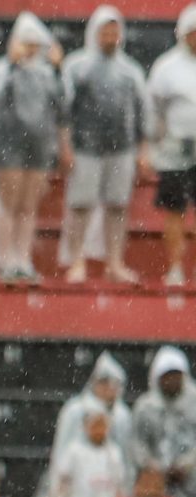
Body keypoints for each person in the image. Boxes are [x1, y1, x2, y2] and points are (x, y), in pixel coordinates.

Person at [58, 5, 151, 284]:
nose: (111, 36)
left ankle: (114, 262)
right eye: (105, 31)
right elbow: (64, 112)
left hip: (121, 149)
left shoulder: (130, 70)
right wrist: (65, 147)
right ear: (94, 32)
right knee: (80, 205)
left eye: (115, 31)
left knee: (117, 205)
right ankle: (76, 260)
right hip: (85, 148)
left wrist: (142, 150)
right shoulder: (76, 67)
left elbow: (141, 112)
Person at [0, 13, 61, 284]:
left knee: (28, 207)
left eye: (36, 43)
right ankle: (5, 258)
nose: (31, 48)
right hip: (8, 146)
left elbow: (62, 104)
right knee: (8, 205)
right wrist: (13, 65)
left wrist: (58, 69)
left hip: (37, 146)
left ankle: (22, 258)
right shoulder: (1, 68)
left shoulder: (47, 73)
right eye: (26, 42)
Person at [152, 8, 196, 288]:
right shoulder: (166, 67)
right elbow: (154, 111)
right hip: (175, 149)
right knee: (175, 211)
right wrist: (154, 145)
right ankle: (176, 267)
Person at [131, 345, 196, 497]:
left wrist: (186, 465)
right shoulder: (145, 407)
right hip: (156, 489)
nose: (172, 381)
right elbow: (137, 445)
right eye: (167, 376)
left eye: (176, 375)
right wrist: (157, 469)